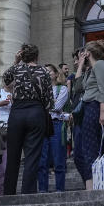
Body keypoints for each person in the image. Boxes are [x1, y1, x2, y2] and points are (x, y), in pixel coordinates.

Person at [1, 44, 53, 195]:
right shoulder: (43, 71)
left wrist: (16, 61)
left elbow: (5, 79)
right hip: (36, 112)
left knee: (13, 155)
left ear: (22, 55)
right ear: (37, 56)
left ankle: (9, 192)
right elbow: (49, 100)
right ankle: (28, 192)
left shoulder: (17, 69)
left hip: (17, 112)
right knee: (32, 156)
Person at [73, 39, 104, 190]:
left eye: (83, 53)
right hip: (89, 108)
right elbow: (78, 87)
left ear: (88, 53)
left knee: (91, 148)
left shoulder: (100, 65)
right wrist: (80, 64)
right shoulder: (90, 69)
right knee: (85, 150)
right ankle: (92, 184)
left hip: (97, 107)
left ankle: (94, 186)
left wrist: (103, 111)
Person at [37, 64, 69, 192]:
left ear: (56, 74)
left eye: (49, 71)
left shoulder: (62, 89)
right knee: (42, 160)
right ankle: (42, 190)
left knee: (58, 159)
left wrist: (43, 105)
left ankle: (60, 189)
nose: (47, 73)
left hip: (56, 124)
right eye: (45, 71)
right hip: (42, 124)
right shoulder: (39, 89)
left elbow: (56, 106)